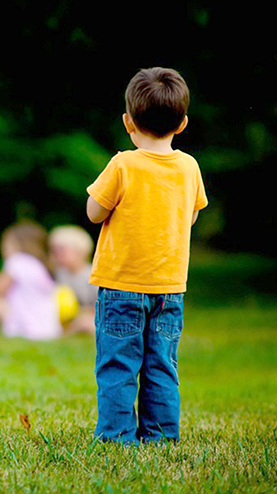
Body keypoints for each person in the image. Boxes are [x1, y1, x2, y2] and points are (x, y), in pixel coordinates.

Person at [86, 67, 208, 445]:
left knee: (118, 364)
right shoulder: (188, 167)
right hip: (170, 288)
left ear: (128, 121)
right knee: (161, 365)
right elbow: (191, 214)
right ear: (183, 123)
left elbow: (94, 211)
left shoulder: (123, 164)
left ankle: (117, 435)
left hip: (122, 285)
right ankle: (160, 434)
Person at [48, 225, 98, 335]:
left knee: (86, 323)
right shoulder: (59, 274)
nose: (56, 255)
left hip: (86, 316)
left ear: (79, 251)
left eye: (61, 250)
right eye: (53, 251)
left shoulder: (91, 275)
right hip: (63, 317)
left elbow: (99, 305)